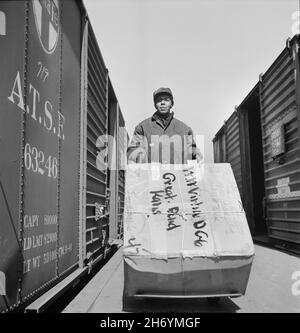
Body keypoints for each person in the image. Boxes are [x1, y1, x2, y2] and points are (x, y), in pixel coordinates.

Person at [127, 87, 202, 165]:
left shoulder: (185, 129)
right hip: (150, 175)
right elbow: (133, 151)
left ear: (172, 104)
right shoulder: (142, 127)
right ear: (155, 104)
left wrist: (195, 155)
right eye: (159, 100)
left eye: (166, 100)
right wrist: (138, 157)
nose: (162, 103)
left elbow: (193, 151)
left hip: (177, 175)